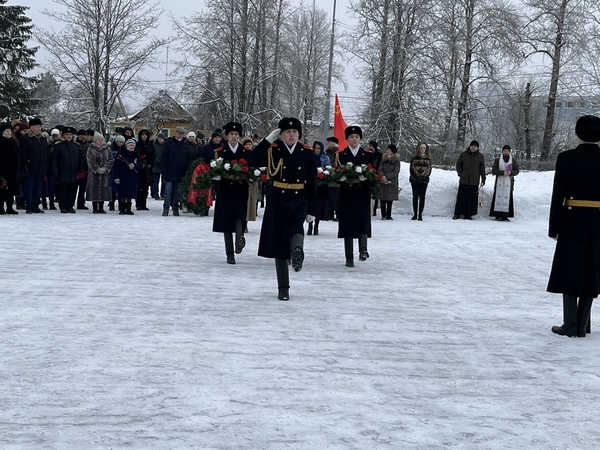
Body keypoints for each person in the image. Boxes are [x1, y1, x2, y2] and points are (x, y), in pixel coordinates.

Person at [247, 118, 317, 301]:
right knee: (279, 244)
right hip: (278, 197)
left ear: (299, 135)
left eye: (294, 132)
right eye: (287, 132)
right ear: (281, 135)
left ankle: (297, 253)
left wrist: (312, 209)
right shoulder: (273, 150)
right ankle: (283, 288)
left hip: (299, 197)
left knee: (296, 227)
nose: (291, 135)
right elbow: (252, 160)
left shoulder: (307, 153)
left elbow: (312, 182)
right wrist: (267, 141)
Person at [548, 115, 600, 338]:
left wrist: (554, 227)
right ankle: (583, 323)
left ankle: (570, 324)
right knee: (591, 268)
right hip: (597, 220)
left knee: (570, 268)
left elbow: (558, 194)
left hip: (572, 218)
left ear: (578, 134)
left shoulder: (566, 158)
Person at [212, 122, 252, 264]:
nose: (234, 137)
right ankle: (229, 253)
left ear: (240, 136)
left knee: (239, 215)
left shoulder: (246, 153)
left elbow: (250, 170)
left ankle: (239, 239)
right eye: (231, 134)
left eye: (236, 134)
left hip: (240, 187)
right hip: (225, 189)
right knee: (226, 220)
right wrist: (215, 177)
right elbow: (215, 170)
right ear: (226, 136)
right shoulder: (220, 152)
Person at [334, 126, 374, 267]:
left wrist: (367, 178)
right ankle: (349, 257)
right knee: (347, 224)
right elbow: (336, 173)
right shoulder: (341, 155)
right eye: (351, 137)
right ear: (347, 139)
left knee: (362, 219)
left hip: (362, 192)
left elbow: (373, 173)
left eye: (357, 136)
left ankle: (363, 249)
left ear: (360, 139)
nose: (354, 139)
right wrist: (341, 178)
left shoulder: (368, 155)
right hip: (347, 192)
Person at [51, 126, 87, 213]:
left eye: (70, 134)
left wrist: (81, 171)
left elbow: (81, 159)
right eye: (67, 134)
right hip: (62, 172)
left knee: (73, 191)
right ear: (63, 135)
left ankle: (70, 206)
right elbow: (54, 160)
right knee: (62, 191)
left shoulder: (76, 146)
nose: (69, 136)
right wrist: (56, 172)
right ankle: (63, 206)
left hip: (74, 173)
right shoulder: (58, 146)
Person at [19, 117, 49, 214]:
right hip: (30, 166)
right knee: (29, 187)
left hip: (40, 167)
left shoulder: (43, 139)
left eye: (40, 127)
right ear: (31, 127)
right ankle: (29, 205)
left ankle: (36, 205)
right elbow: (23, 153)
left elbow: (45, 153)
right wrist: (24, 166)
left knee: (38, 188)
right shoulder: (25, 138)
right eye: (36, 127)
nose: (38, 128)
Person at [161, 126, 191, 216]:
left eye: (182, 134)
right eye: (179, 133)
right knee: (168, 191)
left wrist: (187, 170)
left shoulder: (185, 145)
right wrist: (164, 171)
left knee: (178, 192)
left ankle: (175, 208)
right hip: (170, 171)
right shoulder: (169, 143)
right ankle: (166, 208)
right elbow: (164, 158)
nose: (180, 135)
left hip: (180, 172)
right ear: (176, 133)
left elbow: (188, 159)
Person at [453, 140, 486, 220]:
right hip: (464, 180)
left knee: (471, 199)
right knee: (461, 197)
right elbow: (458, 165)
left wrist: (483, 178)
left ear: (477, 148)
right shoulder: (463, 155)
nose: (473, 147)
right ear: (469, 146)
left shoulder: (480, 156)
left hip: (474, 181)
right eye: (472, 146)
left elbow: (482, 169)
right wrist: (461, 173)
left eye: (475, 146)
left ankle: (469, 214)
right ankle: (457, 213)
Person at [489, 144, 519, 221]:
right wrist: (502, 172)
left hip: (508, 182)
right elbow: (494, 170)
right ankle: (497, 215)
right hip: (499, 182)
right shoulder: (498, 160)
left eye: (507, 151)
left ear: (509, 152)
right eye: (504, 151)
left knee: (507, 198)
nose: (506, 152)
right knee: (498, 198)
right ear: (502, 151)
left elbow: (517, 171)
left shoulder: (513, 160)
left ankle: (505, 216)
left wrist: (511, 173)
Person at [86, 132, 114, 213]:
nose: (100, 141)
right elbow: (90, 160)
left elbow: (110, 160)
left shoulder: (108, 149)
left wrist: (105, 168)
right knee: (94, 189)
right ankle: (95, 207)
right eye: (98, 140)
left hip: (105, 174)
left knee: (103, 190)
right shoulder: (91, 149)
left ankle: (101, 207)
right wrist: (97, 168)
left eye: (102, 140)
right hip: (94, 174)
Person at [113, 138, 143, 215]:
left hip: (132, 176)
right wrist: (116, 177)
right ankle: (122, 209)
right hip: (122, 176)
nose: (132, 146)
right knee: (123, 193)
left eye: (133, 145)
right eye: (130, 145)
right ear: (127, 145)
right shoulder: (121, 153)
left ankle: (129, 209)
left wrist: (134, 165)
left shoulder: (136, 153)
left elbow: (140, 165)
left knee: (130, 193)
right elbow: (116, 166)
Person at [308, 140, 330, 236]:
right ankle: (310, 226)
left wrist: (323, 172)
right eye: (315, 148)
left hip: (321, 185)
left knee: (319, 207)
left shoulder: (325, 157)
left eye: (319, 148)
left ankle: (316, 226)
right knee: (311, 205)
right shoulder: (310, 156)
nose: (317, 150)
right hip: (311, 184)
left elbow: (329, 168)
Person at [0, 122, 20, 214]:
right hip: (2, 169)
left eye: (9, 131)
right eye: (6, 131)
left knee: (11, 190)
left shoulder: (13, 141)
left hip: (12, 169)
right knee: (2, 190)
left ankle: (9, 207)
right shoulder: (1, 141)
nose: (8, 133)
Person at [409, 141, 432, 221]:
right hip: (414, 179)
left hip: (424, 180)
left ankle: (420, 214)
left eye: (424, 148)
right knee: (415, 197)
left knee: (422, 197)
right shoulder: (414, 157)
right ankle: (415, 213)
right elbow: (412, 168)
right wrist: (417, 176)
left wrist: (423, 176)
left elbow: (429, 169)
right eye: (421, 148)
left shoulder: (428, 158)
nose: (422, 149)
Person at [378, 144, 400, 220]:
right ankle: (383, 214)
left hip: (391, 182)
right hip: (383, 181)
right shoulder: (383, 159)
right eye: (387, 149)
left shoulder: (396, 161)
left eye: (389, 150)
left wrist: (387, 176)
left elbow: (395, 172)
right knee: (382, 198)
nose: (387, 151)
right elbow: (380, 169)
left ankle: (388, 215)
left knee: (389, 200)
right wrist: (382, 176)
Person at [135, 129, 154, 210]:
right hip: (139, 169)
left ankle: (143, 204)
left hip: (148, 169)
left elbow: (153, 155)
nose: (144, 136)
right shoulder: (137, 144)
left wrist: (150, 164)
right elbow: (136, 155)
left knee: (146, 188)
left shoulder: (150, 145)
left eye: (146, 135)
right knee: (139, 187)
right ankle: (138, 204)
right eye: (142, 134)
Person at [243, 137, 258, 229]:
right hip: (243, 181)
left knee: (250, 203)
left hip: (252, 182)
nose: (248, 146)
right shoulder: (240, 154)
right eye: (246, 144)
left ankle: (246, 223)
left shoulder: (254, 154)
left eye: (250, 144)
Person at [325, 136, 340, 221]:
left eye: (329, 142)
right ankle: (329, 213)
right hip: (327, 178)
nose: (327, 144)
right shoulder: (327, 153)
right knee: (329, 197)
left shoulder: (337, 153)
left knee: (335, 198)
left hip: (335, 179)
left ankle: (338, 213)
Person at [109, 135, 125, 210]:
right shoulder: (111, 149)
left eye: (122, 142)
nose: (120, 144)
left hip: (121, 171)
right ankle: (111, 204)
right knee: (112, 189)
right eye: (119, 142)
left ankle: (120, 205)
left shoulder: (124, 150)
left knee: (120, 189)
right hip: (112, 171)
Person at [367, 140, 382, 216]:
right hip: (368, 174)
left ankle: (374, 209)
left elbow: (379, 165)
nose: (369, 147)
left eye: (371, 146)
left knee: (375, 192)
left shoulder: (379, 155)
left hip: (376, 174)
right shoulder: (366, 153)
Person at [152, 133, 166, 199]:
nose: (160, 139)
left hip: (164, 165)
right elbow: (153, 155)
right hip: (156, 165)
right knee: (156, 181)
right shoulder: (154, 145)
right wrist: (157, 161)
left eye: (161, 138)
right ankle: (155, 194)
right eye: (159, 138)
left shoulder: (166, 146)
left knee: (164, 181)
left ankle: (163, 194)